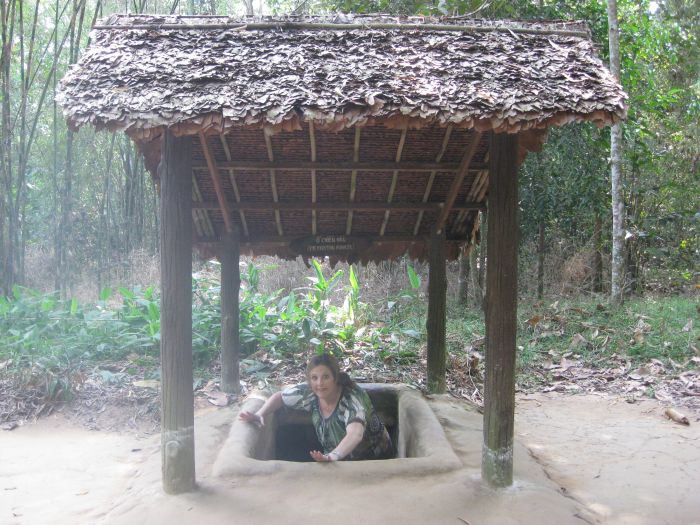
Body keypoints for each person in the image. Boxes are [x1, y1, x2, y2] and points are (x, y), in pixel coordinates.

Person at [239, 353, 393, 462]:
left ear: (335, 378)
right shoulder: (309, 393)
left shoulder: (351, 398)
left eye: (326, 377)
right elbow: (280, 397)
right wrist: (260, 414)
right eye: (314, 378)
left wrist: (333, 456)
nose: (320, 383)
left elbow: (356, 433)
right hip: (335, 459)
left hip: (373, 461)